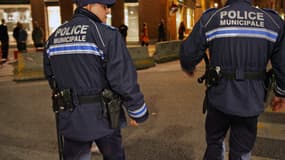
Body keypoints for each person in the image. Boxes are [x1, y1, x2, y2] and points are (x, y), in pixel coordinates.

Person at [43, 0, 149, 159]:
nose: (108, 11)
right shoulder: (106, 35)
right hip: (104, 117)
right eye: (104, 6)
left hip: (71, 117)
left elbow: (51, 76)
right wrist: (137, 111)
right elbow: (122, 80)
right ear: (88, 5)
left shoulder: (54, 37)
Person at [179, 0, 285, 160]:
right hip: (251, 101)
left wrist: (189, 66)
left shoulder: (211, 18)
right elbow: (283, 62)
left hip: (219, 98)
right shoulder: (272, 22)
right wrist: (281, 92)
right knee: (242, 151)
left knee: (215, 143)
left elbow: (188, 53)